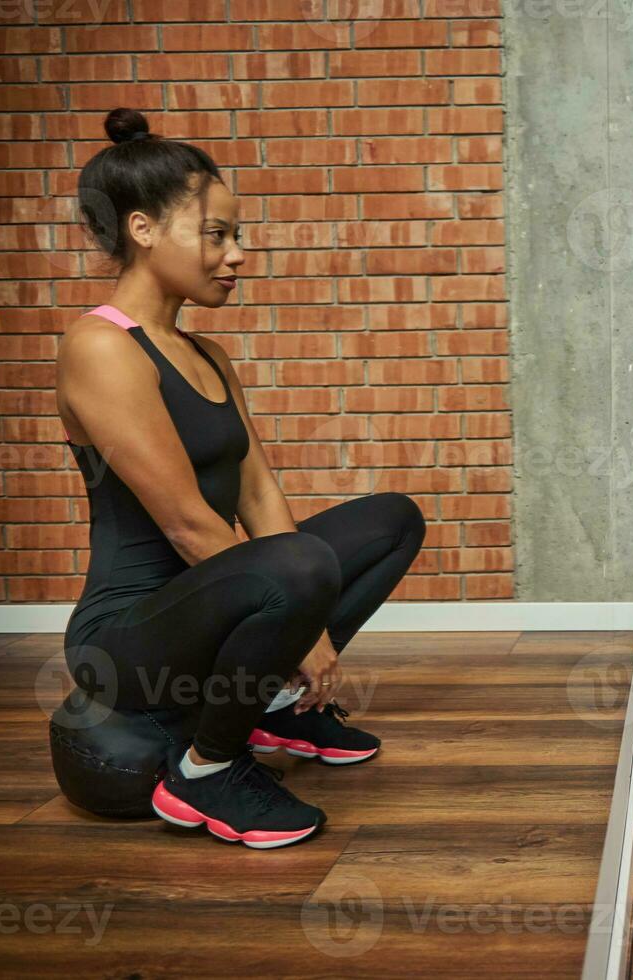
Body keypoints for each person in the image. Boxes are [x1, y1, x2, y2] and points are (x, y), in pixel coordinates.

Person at [58, 108, 426, 849]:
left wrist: (310, 626)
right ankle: (205, 771)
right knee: (294, 563)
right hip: (128, 638)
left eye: (239, 236)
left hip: (217, 597)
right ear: (143, 230)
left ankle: (272, 710)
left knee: (392, 519)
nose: (238, 255)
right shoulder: (98, 347)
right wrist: (303, 630)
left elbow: (259, 495)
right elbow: (188, 523)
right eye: (218, 234)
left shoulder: (209, 354)